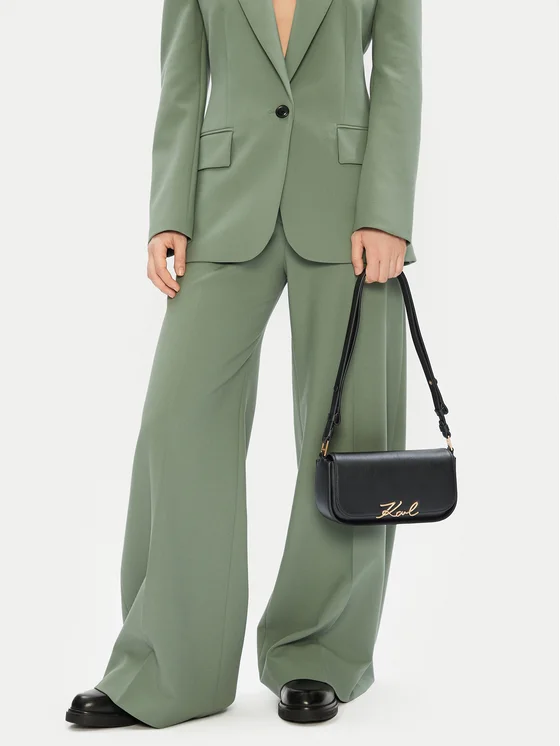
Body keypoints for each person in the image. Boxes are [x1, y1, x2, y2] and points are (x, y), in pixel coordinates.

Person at [66, 0, 422, 729]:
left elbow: (399, 72)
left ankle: (319, 651)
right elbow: (181, 78)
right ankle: (171, 664)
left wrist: (387, 209)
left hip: (351, 208)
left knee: (349, 433)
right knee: (178, 421)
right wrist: (169, 210)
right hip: (223, 202)